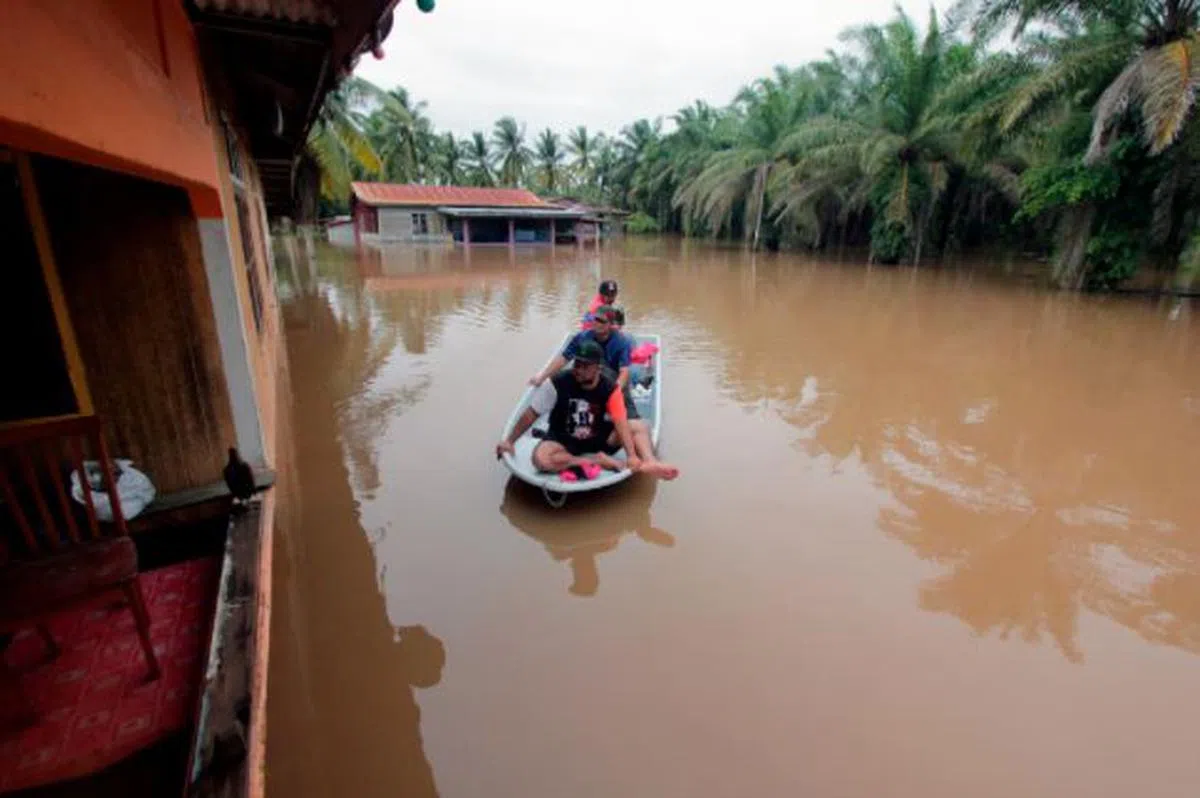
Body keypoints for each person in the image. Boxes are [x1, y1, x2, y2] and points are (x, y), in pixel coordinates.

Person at [496, 340, 679, 480]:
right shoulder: (557, 382)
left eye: (585, 366)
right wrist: (510, 441)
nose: (579, 370)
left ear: (598, 368)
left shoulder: (610, 388)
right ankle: (596, 461)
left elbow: (620, 421)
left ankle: (650, 462)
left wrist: (631, 456)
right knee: (541, 460)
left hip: (599, 438)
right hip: (563, 439)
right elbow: (531, 413)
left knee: (639, 426)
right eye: (577, 364)